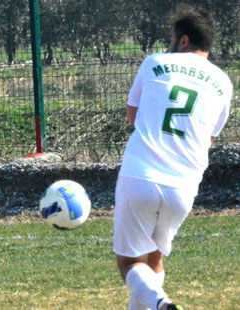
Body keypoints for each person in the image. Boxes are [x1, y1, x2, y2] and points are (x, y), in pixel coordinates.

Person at [115, 4, 232, 310]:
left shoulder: (155, 62)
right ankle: (158, 304)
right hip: (183, 185)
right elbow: (208, 138)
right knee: (153, 258)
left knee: (129, 262)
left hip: (141, 174)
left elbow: (132, 116)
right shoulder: (223, 82)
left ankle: (162, 304)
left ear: (183, 41)